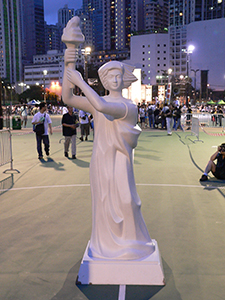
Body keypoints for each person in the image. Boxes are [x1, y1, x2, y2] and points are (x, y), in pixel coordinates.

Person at [62, 54, 155, 260]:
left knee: (127, 200)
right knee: (104, 202)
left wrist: (80, 81)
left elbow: (103, 108)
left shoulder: (128, 106)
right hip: (101, 161)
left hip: (120, 161)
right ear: (104, 81)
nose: (114, 80)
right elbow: (67, 98)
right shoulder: (98, 103)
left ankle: (132, 242)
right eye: (110, 76)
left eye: (118, 76)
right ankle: (106, 244)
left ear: (123, 80)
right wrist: (69, 59)